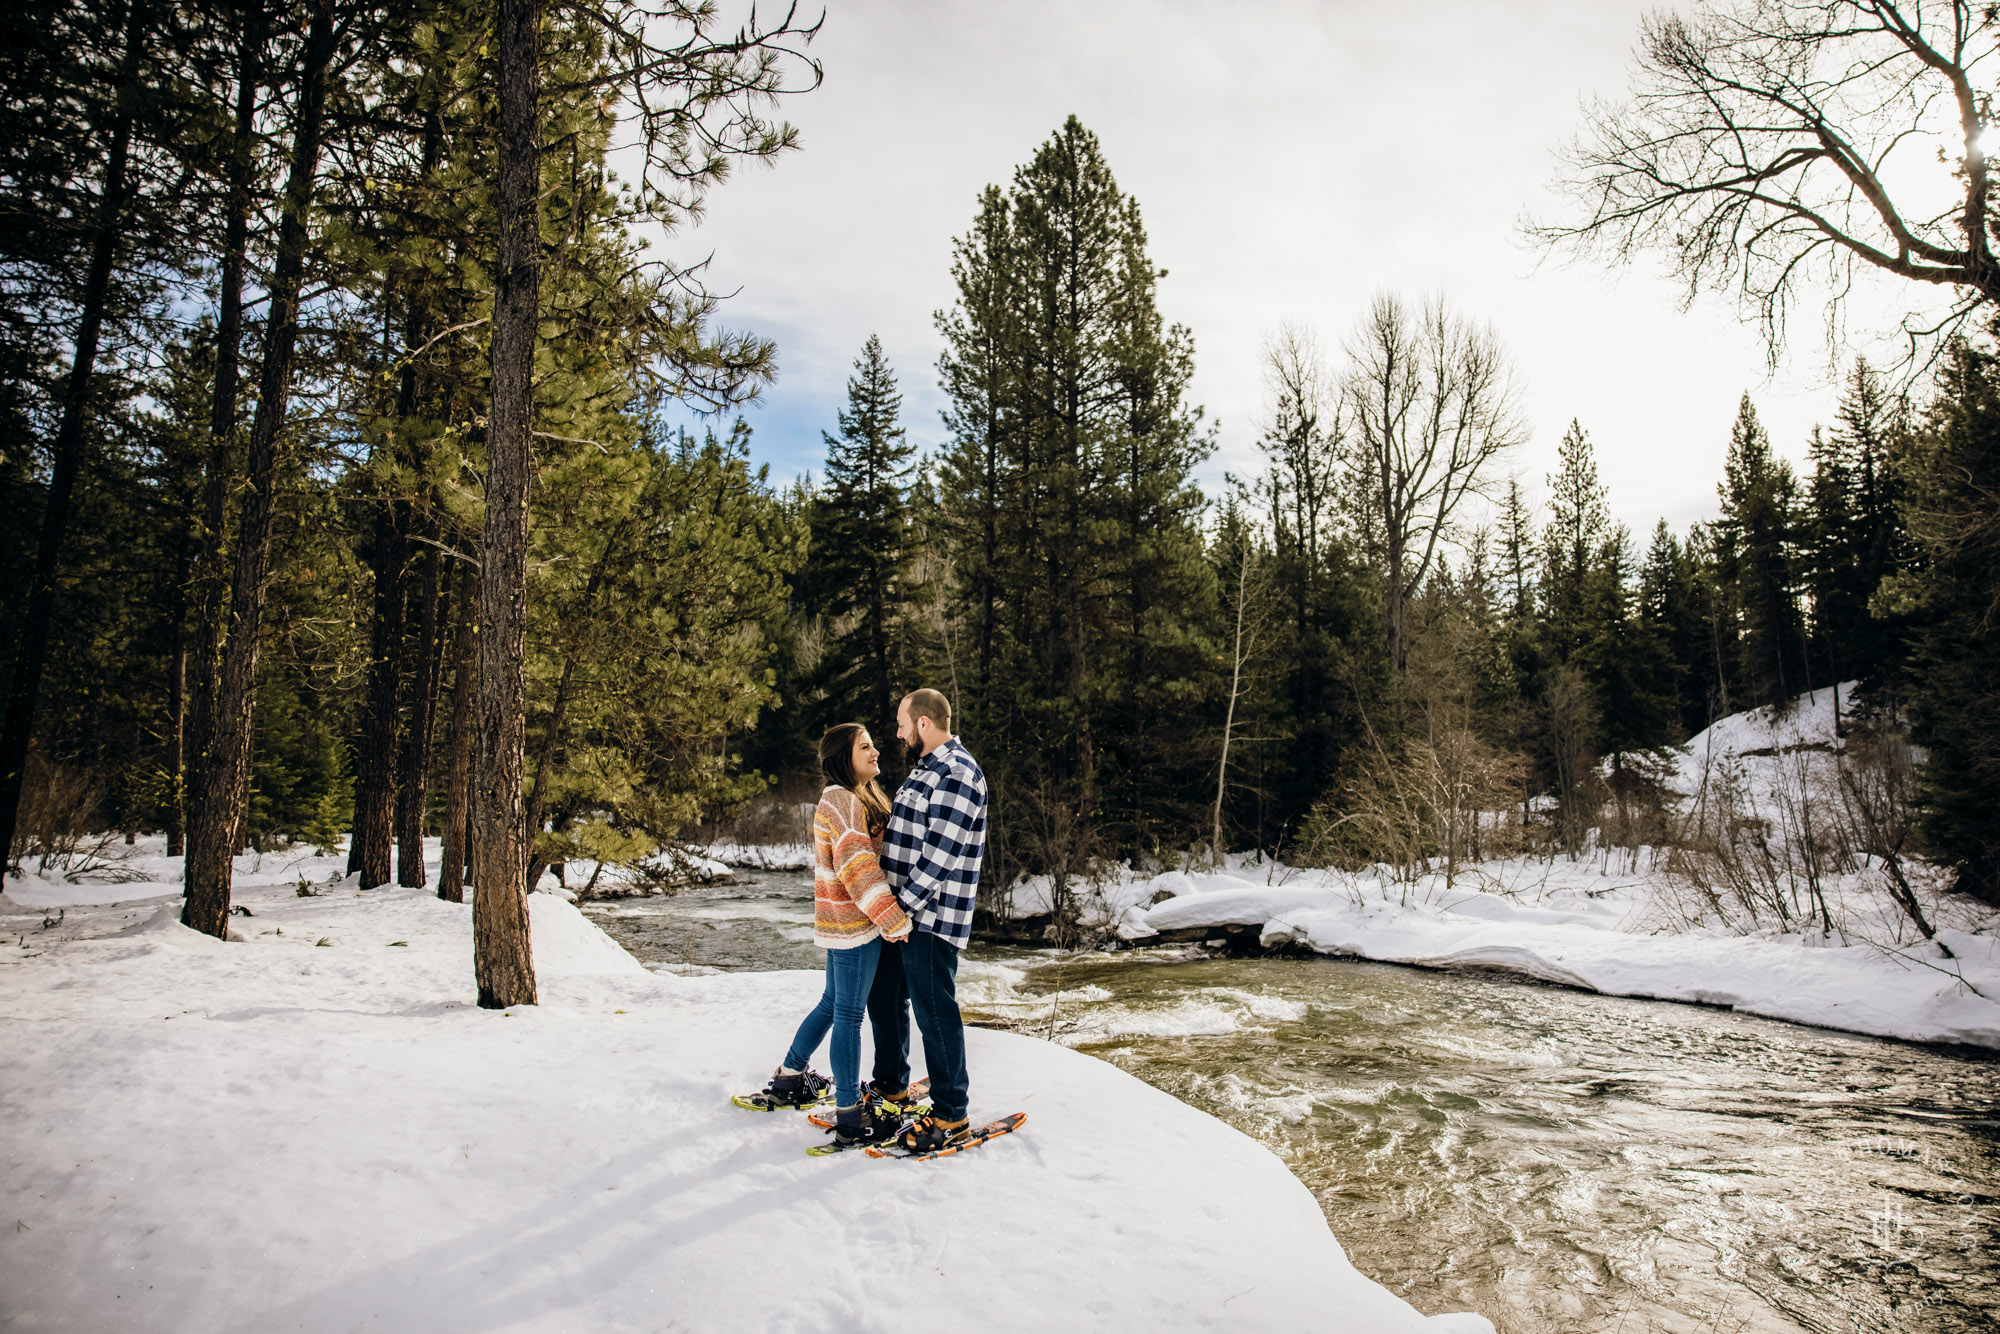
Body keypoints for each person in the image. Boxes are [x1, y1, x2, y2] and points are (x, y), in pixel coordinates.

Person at [752, 723, 912, 1149]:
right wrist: (893, 919)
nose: (876, 751)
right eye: (865, 747)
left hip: (842, 922)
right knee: (848, 1017)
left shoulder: (855, 796)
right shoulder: (841, 799)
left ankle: (789, 1077)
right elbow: (856, 867)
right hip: (856, 925)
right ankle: (849, 1115)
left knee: (831, 1005)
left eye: (874, 744)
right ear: (844, 756)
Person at [866, 688, 988, 1154]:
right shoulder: (925, 771)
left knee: (934, 1012)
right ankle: (893, 1089)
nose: (896, 733)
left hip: (932, 917)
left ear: (922, 723)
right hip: (902, 915)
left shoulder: (958, 773)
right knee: (886, 999)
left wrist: (900, 908)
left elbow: (941, 856)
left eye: (901, 723)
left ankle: (951, 1114)